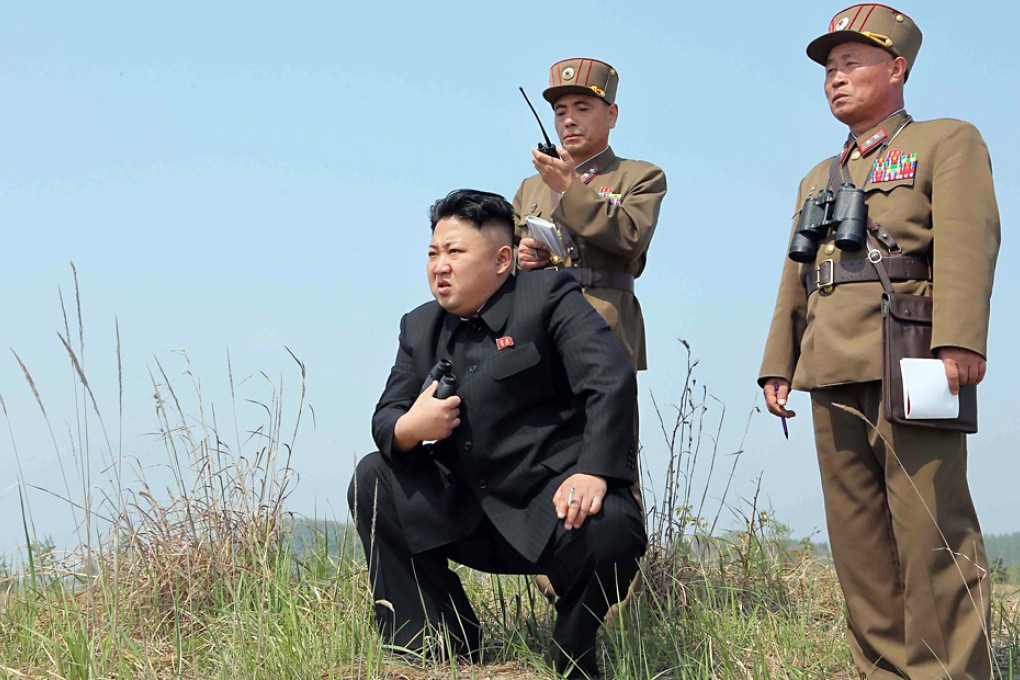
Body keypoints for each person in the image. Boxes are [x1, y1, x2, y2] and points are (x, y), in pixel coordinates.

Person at [759, 6, 1000, 679]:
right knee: (859, 549)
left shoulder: (945, 140)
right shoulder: (820, 175)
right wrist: (779, 362)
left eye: (850, 63)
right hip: (829, 363)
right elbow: (797, 274)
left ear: (896, 69)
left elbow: (968, 242)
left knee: (931, 534)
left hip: (913, 358)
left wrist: (960, 341)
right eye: (829, 69)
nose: (835, 78)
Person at [348, 189, 646, 679]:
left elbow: (609, 379)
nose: (440, 266)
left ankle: (573, 646)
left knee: (614, 526)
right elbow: (387, 417)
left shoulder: (548, 297)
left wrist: (594, 470)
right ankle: (435, 643)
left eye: (455, 252)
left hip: (551, 506)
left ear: (503, 259)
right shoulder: (420, 326)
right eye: (433, 253)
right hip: (465, 511)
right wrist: (411, 427)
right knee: (373, 477)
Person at [513, 57, 667, 372]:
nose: (569, 121)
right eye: (560, 112)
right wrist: (521, 257)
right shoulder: (530, 187)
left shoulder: (640, 176)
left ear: (612, 115)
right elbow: (502, 257)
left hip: (604, 326)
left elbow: (630, 238)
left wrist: (568, 188)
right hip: (538, 332)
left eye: (582, 109)